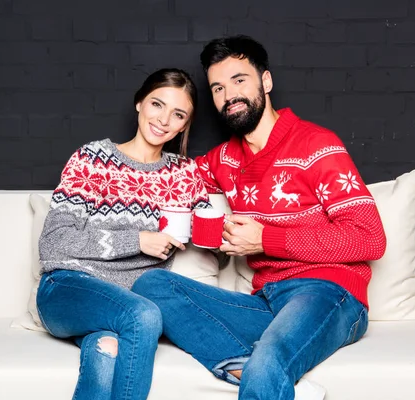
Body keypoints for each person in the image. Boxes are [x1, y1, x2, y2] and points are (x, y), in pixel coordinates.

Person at [132, 35, 387, 400]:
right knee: (151, 286)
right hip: (267, 301)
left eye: (239, 80)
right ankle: (249, 371)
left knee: (269, 358)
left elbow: (370, 239)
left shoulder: (316, 144)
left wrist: (266, 240)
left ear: (265, 82)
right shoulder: (224, 159)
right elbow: (167, 177)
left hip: (328, 293)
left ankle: (265, 371)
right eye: (218, 88)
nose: (229, 95)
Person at [36, 68, 210, 400]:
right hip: (68, 289)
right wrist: (137, 240)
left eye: (178, 115)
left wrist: (226, 238)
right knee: (144, 315)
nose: (163, 120)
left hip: (122, 306)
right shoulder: (93, 160)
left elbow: (204, 236)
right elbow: (53, 243)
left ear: (185, 125)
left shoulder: (186, 174)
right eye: (157, 104)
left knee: (106, 352)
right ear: (139, 103)